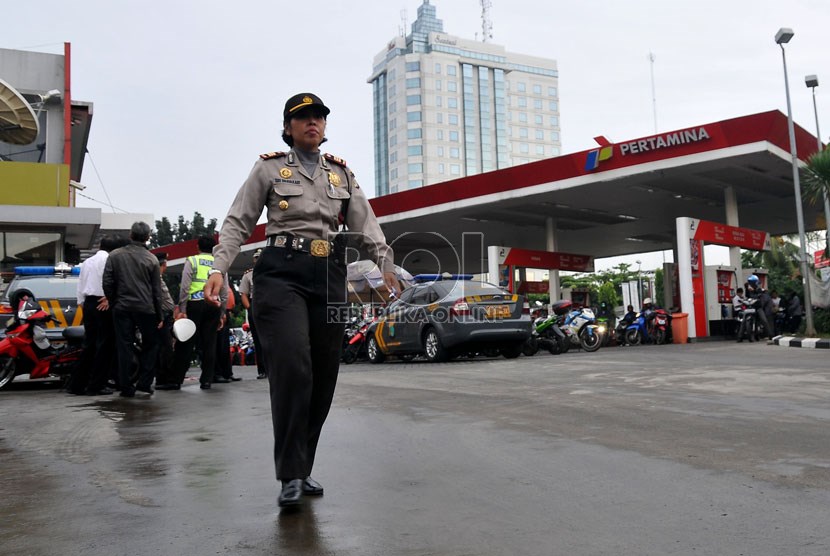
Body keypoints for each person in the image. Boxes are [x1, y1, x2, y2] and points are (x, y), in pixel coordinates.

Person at [203, 92, 400, 509]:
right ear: (289, 127)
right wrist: (220, 267)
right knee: (293, 366)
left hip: (328, 274)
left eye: (319, 118)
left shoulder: (342, 174)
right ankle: (289, 474)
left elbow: (367, 224)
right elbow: (239, 219)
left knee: (324, 374)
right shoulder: (270, 167)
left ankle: (303, 465)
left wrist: (385, 264)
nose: (313, 123)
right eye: (304, 118)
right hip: (281, 272)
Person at [102, 222, 163, 398]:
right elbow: (156, 291)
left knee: (124, 346)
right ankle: (144, 383)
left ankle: (126, 386)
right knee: (151, 345)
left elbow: (107, 282)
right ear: (148, 237)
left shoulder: (114, 256)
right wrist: (159, 314)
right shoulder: (151, 259)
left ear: (131, 235)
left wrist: (114, 302)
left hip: (122, 307)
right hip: (146, 308)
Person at [171, 235, 226, 390]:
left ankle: (177, 379)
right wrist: (222, 312)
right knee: (210, 343)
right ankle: (207, 380)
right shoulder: (219, 264)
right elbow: (224, 290)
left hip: (194, 305)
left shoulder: (192, 260)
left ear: (198, 247)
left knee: (186, 342)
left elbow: (185, 286)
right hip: (213, 305)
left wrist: (182, 309)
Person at [70, 234, 120, 395]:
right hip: (103, 303)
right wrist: (110, 299)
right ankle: (97, 385)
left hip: (88, 303)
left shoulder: (87, 262)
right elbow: (113, 282)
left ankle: (77, 384)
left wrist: (83, 303)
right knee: (105, 345)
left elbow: (80, 284)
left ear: (100, 246)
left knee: (88, 344)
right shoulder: (111, 260)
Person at [238, 249, 265, 378]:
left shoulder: (273, 273)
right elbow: (243, 294)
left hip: (271, 306)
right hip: (255, 306)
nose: (258, 260)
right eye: (256, 258)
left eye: (261, 257)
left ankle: (276, 369)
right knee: (259, 340)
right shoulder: (248, 275)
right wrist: (250, 308)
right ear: (253, 260)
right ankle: (262, 370)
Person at [154, 253, 179, 390]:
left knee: (165, 347)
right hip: (162, 315)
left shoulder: (157, 278)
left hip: (165, 315)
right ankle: (164, 379)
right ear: (163, 265)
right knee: (165, 348)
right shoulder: (155, 279)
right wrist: (161, 317)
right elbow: (158, 298)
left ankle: (163, 378)